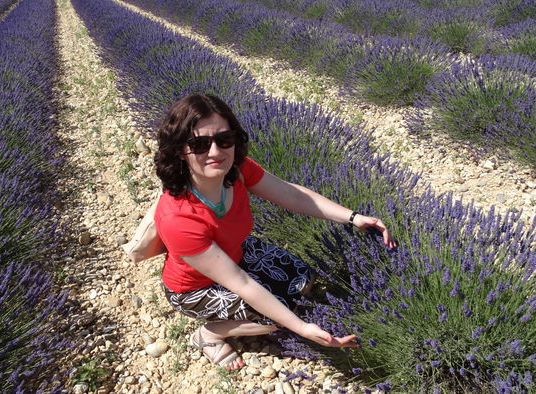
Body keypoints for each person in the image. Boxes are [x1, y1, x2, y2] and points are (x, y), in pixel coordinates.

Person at [153, 93, 397, 370]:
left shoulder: (237, 170)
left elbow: (292, 195)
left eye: (224, 139)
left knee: (304, 281)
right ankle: (210, 334)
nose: (215, 152)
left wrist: (353, 218)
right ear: (179, 150)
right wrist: (302, 329)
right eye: (199, 144)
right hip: (194, 287)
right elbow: (241, 283)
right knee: (273, 319)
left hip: (237, 252)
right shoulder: (179, 218)